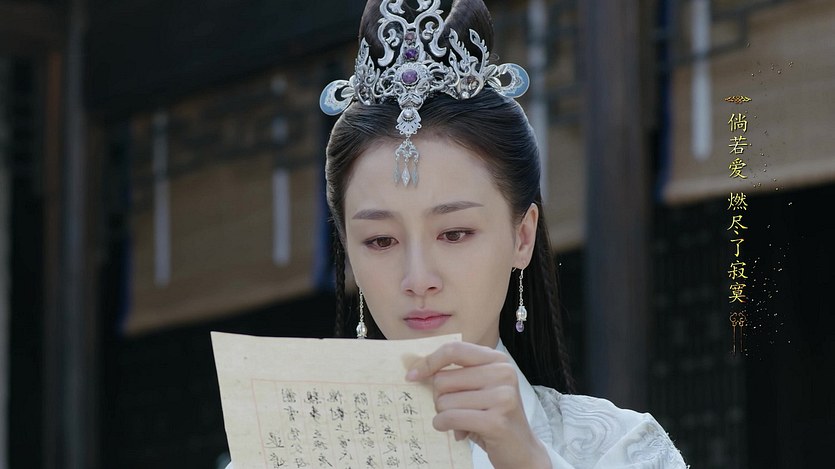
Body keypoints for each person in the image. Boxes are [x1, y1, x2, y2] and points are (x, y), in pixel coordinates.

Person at [229, 0, 688, 467]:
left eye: (454, 233)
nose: (418, 279)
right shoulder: (275, 456)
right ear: (348, 249)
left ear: (522, 237)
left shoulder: (623, 449)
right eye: (381, 241)